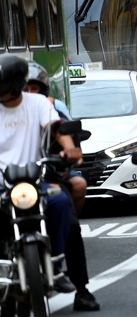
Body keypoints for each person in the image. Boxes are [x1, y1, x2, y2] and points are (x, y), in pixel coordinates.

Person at [0, 55, 82, 300]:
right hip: (2, 183)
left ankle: (55, 265)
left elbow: (56, 129)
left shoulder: (37, 103)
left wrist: (69, 148)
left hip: (34, 180)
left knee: (60, 202)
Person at [23, 62, 100, 311]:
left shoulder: (49, 109)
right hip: (9, 182)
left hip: (47, 176)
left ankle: (81, 288)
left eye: (35, 89)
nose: (30, 94)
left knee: (70, 221)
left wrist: (70, 151)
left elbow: (67, 136)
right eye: (25, 89)